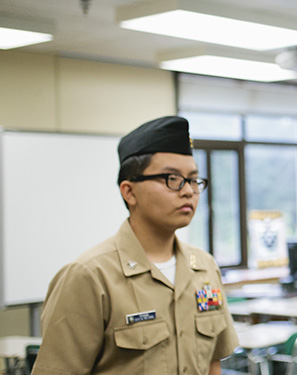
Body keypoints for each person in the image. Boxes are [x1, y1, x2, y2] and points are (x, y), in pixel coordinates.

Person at [32, 116, 238, 375]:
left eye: (193, 180)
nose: (188, 191)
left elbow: (213, 362)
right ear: (129, 192)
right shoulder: (90, 276)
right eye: (172, 179)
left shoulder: (204, 267)